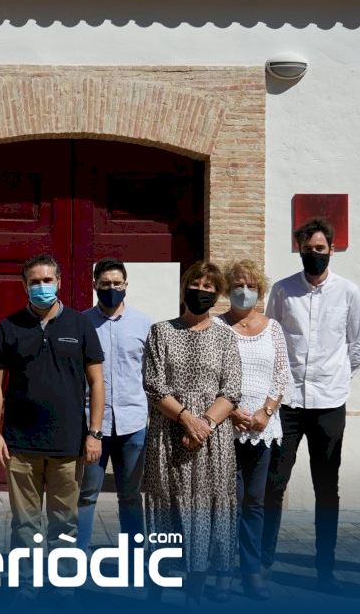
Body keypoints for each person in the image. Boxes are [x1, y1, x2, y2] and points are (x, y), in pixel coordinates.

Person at [0, 254, 105, 602]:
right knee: (24, 523)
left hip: (68, 444)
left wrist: (94, 433)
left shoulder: (80, 325)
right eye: (34, 282)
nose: (41, 287)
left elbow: (97, 382)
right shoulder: (9, 326)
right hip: (21, 444)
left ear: (59, 282)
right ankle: (26, 583)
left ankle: (63, 583)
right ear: (24, 285)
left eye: (47, 280)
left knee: (64, 521)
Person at [262, 218, 360, 594]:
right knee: (274, 484)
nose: (314, 254)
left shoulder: (349, 292)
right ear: (300, 250)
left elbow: (357, 345)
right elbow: (272, 340)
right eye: (308, 249)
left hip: (329, 403)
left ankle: (326, 568)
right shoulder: (283, 290)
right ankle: (263, 564)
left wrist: (336, 378)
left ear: (331, 250)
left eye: (320, 249)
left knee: (327, 487)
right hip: (287, 403)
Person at [142, 260, 242, 606]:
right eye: (195, 285)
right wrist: (187, 419)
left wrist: (204, 426)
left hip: (211, 442)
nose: (201, 291)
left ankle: (195, 595)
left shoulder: (226, 337)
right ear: (185, 289)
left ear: (218, 294)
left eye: (208, 287)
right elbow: (154, 385)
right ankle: (156, 593)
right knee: (166, 507)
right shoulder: (161, 332)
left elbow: (231, 391)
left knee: (204, 509)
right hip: (168, 436)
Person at [214, 259, 289, 601]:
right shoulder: (217, 327)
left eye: (251, 285)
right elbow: (211, 376)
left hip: (262, 428)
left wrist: (266, 411)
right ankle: (223, 572)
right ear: (227, 289)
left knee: (255, 502)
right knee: (228, 502)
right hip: (225, 428)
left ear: (260, 290)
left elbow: (282, 374)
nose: (244, 291)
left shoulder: (273, 328)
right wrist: (230, 412)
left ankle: (251, 571)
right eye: (237, 285)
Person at [77, 258, 150, 552]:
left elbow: (150, 373)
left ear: (126, 285)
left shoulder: (143, 324)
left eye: (117, 283)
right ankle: (77, 556)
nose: (111, 288)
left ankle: (134, 557)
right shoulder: (82, 323)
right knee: (86, 494)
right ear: (95, 285)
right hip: (93, 425)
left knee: (130, 496)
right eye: (105, 283)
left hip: (133, 423)